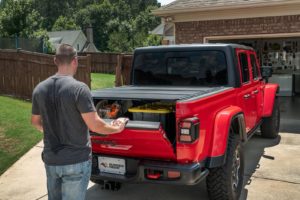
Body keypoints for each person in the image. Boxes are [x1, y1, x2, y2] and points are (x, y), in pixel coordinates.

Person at [31, 44, 127, 200]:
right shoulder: (79, 89)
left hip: (51, 160)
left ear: (55, 60)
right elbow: (95, 125)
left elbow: (35, 122)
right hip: (76, 161)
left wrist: (49, 131)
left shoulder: (40, 89)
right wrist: (117, 127)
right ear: (75, 61)